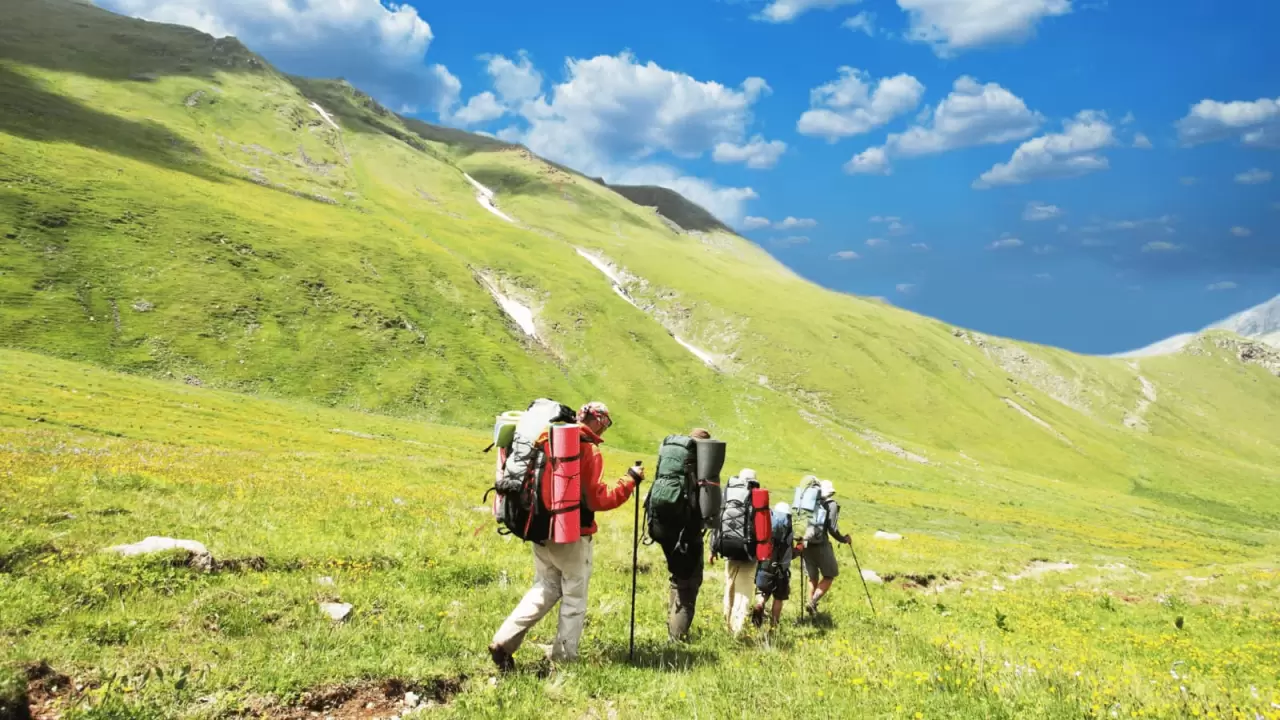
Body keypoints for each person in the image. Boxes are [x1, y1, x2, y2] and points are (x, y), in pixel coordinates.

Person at [489, 401, 640, 672]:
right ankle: (565, 660)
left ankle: (503, 640)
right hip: (571, 534)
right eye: (605, 422)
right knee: (574, 597)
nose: (605, 428)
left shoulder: (545, 437)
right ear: (597, 420)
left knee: (545, 585)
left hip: (538, 527)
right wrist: (629, 481)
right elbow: (597, 499)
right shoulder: (586, 447)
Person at [660, 427, 712, 642]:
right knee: (689, 583)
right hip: (688, 533)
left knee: (677, 578)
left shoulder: (674, 459)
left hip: (666, 529)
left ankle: (672, 626)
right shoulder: (700, 466)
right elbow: (707, 506)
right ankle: (677, 638)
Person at [799, 479, 851, 615]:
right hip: (820, 544)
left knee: (812, 577)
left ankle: (811, 609)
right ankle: (813, 602)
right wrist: (843, 539)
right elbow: (832, 529)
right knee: (829, 575)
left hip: (806, 543)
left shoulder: (808, 502)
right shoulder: (831, 504)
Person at [721, 468, 760, 637]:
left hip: (728, 548)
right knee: (743, 593)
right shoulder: (756, 497)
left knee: (729, 586)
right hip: (749, 553)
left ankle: (726, 625)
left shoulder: (730, 494)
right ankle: (736, 632)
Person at [752, 502, 794, 629]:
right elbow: (790, 553)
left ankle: (760, 604)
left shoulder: (768, 527)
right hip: (782, 570)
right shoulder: (789, 530)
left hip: (765, 565)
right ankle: (774, 625)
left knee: (763, 591)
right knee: (778, 597)